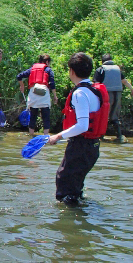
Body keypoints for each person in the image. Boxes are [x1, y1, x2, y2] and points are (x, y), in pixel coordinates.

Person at [47, 53, 110, 205]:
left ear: (72, 72)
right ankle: (79, 214)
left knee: (65, 184)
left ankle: (70, 221)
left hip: (81, 146)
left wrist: (58, 136)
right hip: (92, 147)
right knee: (74, 186)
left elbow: (82, 126)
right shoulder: (93, 90)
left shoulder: (80, 93)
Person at [93, 54, 133, 142]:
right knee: (114, 116)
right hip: (118, 94)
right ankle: (119, 136)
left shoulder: (101, 70)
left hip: (106, 94)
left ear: (102, 61)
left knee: (104, 114)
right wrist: (132, 90)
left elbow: (96, 84)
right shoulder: (118, 69)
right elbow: (124, 81)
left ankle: (101, 136)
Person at [17, 54, 56, 135]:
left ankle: (31, 135)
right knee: (46, 118)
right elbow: (52, 84)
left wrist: (22, 86)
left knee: (33, 117)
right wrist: (55, 96)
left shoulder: (32, 69)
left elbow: (19, 76)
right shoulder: (48, 70)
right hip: (44, 95)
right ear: (47, 62)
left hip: (33, 94)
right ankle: (46, 137)